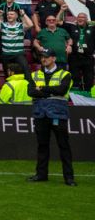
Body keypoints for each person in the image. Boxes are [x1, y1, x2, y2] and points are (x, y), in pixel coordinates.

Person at [25, 47, 75, 186]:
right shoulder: (35, 75)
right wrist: (51, 92)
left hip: (58, 113)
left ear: (54, 58)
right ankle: (41, 174)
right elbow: (31, 92)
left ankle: (69, 177)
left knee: (63, 145)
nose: (43, 59)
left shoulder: (65, 74)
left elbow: (62, 90)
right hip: (41, 113)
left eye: (46, 56)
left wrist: (42, 89)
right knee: (42, 145)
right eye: (42, 57)